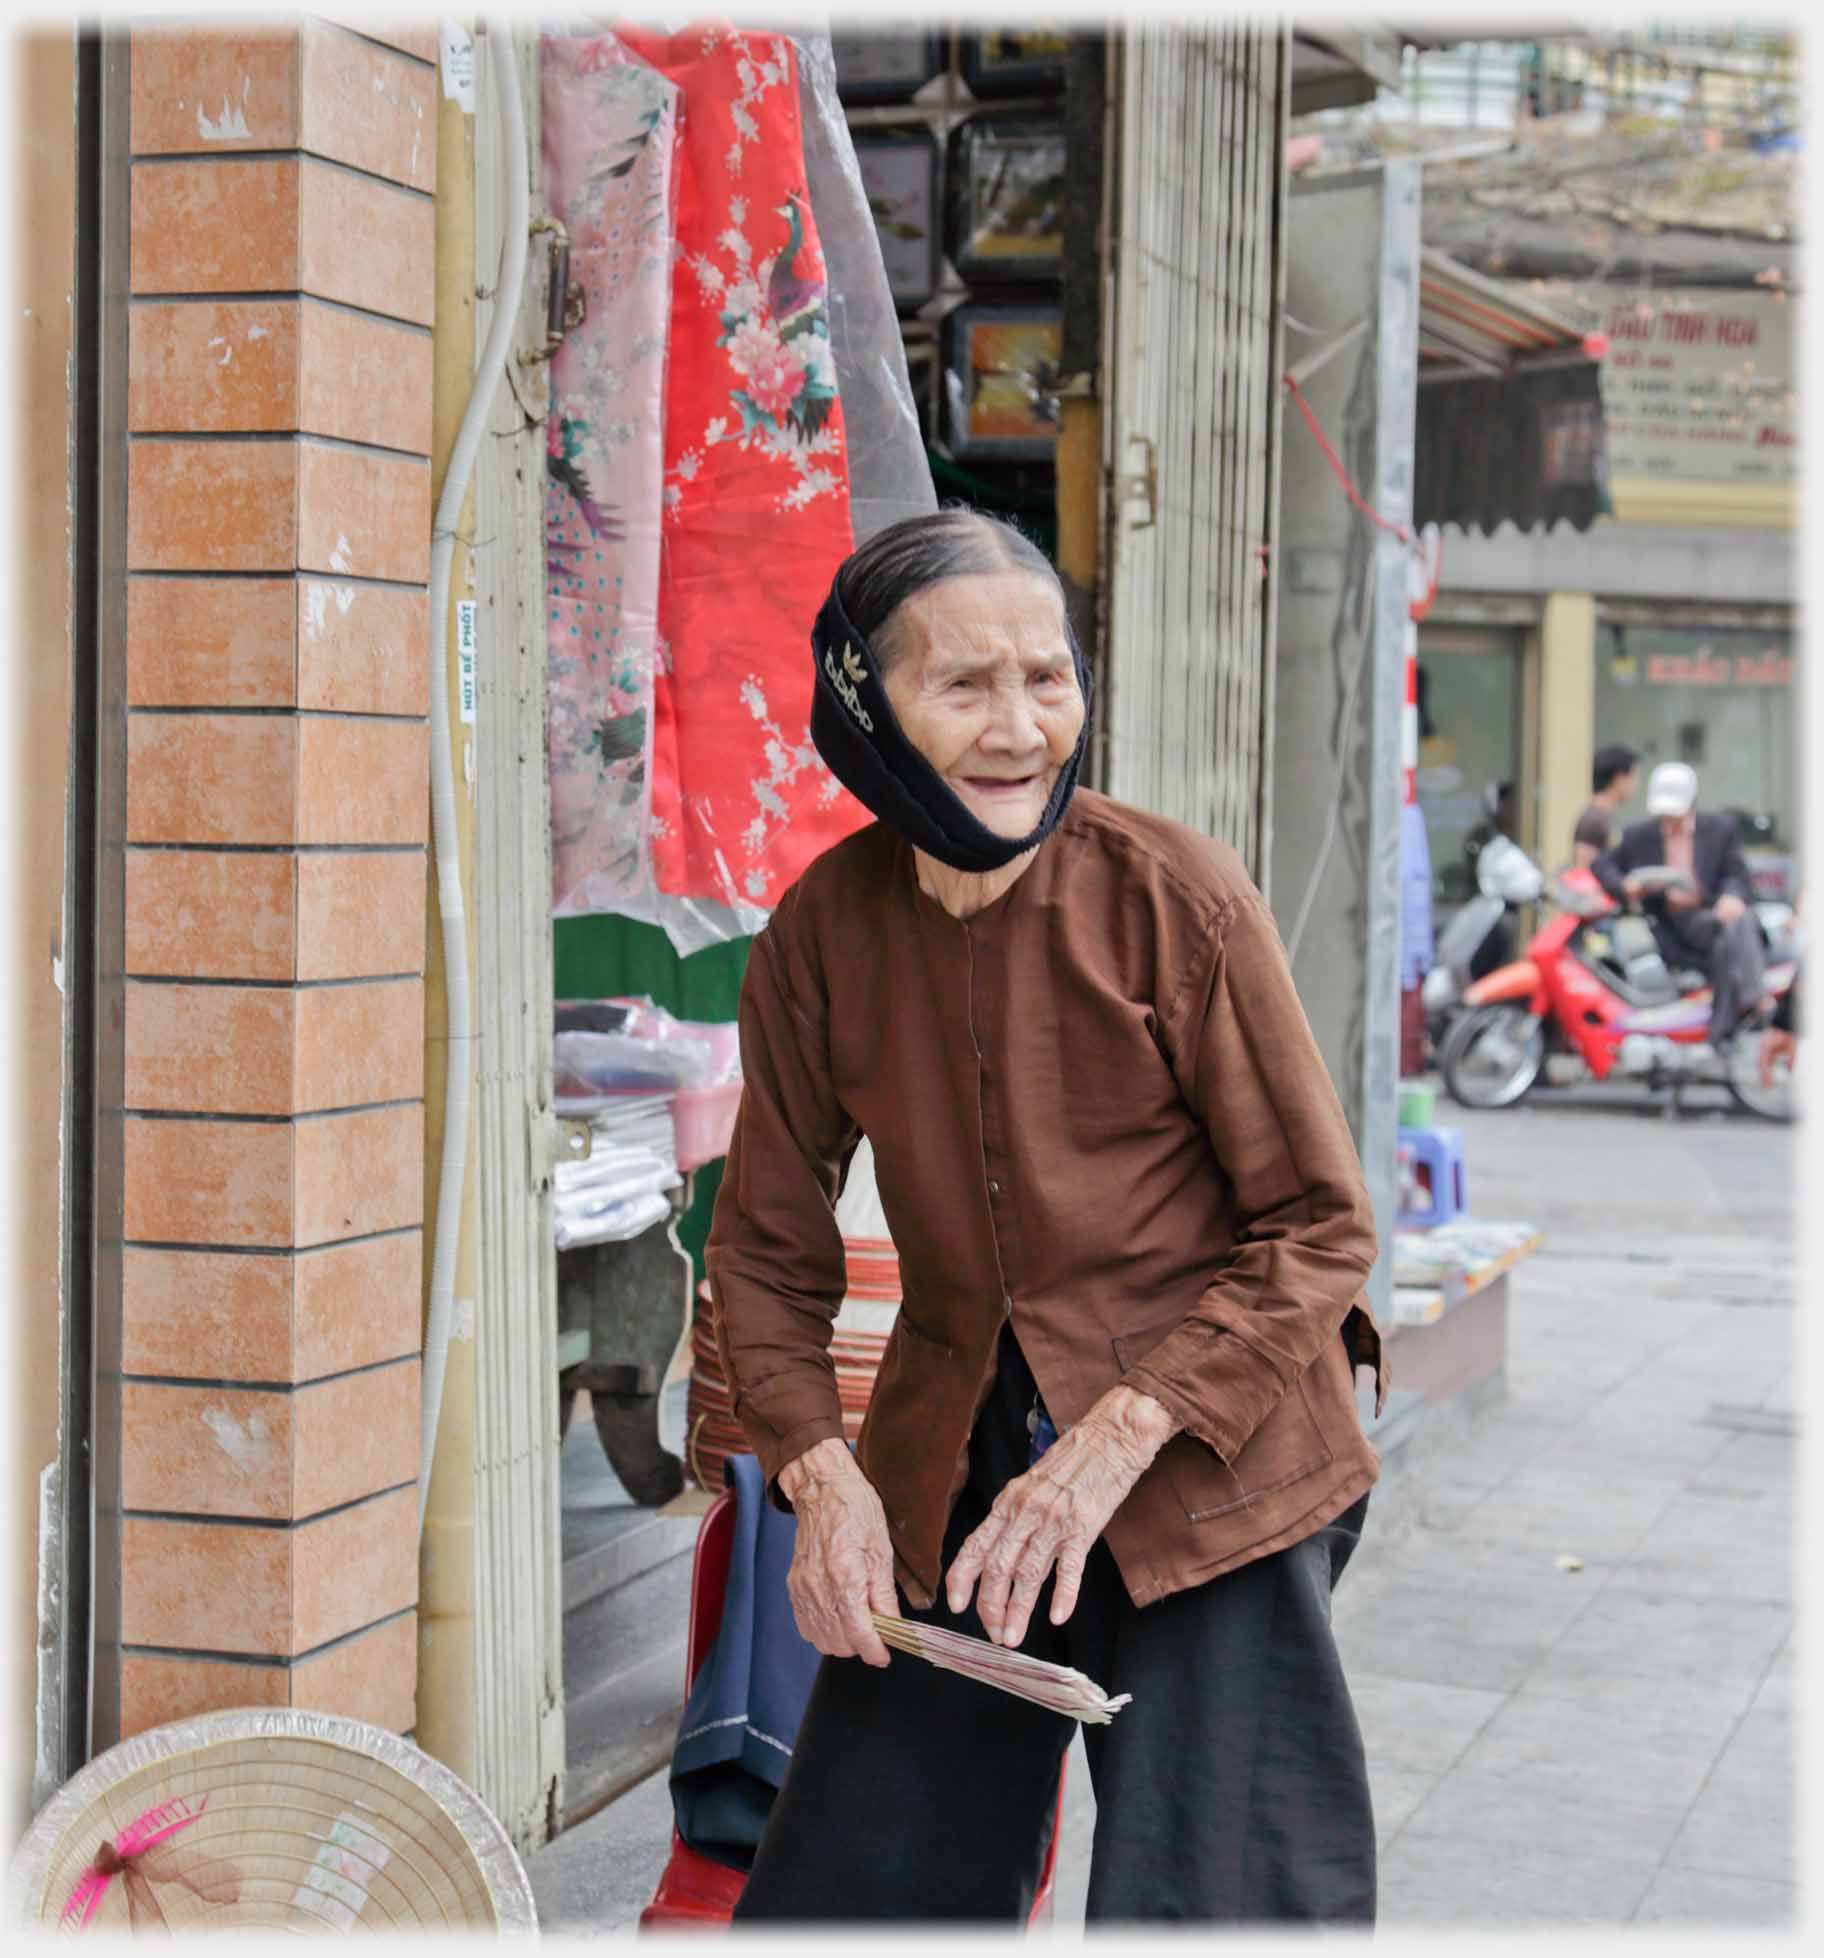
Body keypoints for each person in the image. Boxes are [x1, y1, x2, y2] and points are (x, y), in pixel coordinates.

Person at [706, 509, 1385, 1925]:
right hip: (955, 1449)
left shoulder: (1174, 897)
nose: (1020, 725)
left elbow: (1318, 1225)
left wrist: (1108, 1447)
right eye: (964, 685)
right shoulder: (821, 931)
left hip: (1214, 1454)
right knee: (859, 1892)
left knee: (1214, 1902)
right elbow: (768, 1249)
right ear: (862, 702)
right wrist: (821, 1482)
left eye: (1047, 676)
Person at [1591, 760, 1766, 1050]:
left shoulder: (1720, 828)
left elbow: (1738, 874)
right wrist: (1625, 886)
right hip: (1672, 922)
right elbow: (1602, 864)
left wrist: (1731, 897)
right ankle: (1756, 1000)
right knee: (1737, 927)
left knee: (1733, 929)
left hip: (1712, 912)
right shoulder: (1639, 835)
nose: (1669, 820)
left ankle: (1722, 1028)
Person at [1573, 743, 1640, 868]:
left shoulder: (1603, 816)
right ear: (1618, 778)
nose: (1636, 784)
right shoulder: (1593, 819)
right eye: (1633, 776)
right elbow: (1583, 868)